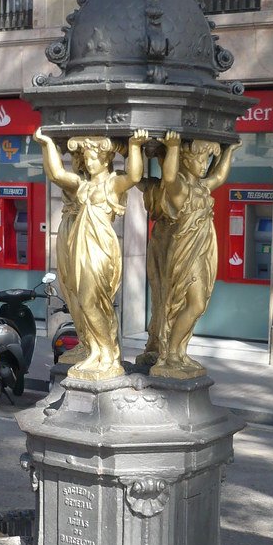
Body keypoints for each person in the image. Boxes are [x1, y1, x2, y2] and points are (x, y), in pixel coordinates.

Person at [33, 126, 148, 381]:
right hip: (81, 249)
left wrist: (136, 147)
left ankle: (107, 354)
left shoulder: (112, 183)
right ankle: (94, 349)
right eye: (87, 158)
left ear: (106, 159)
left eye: (94, 157)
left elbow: (134, 175)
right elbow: (56, 174)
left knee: (92, 300)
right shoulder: (82, 187)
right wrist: (45, 144)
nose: (89, 162)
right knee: (79, 299)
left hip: (101, 249)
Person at [147, 130, 240, 378]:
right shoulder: (180, 190)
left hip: (203, 250)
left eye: (206, 160)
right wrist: (174, 147)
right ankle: (171, 353)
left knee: (198, 304)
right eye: (199, 160)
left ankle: (178, 352)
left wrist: (229, 151)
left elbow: (219, 176)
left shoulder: (201, 187)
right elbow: (168, 175)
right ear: (185, 160)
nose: (203, 165)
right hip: (185, 253)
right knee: (193, 304)